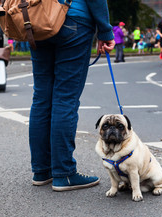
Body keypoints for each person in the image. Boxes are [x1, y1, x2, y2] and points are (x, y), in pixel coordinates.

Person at [29, 0, 115, 191]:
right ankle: (64, 173)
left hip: (36, 18)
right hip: (73, 18)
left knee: (41, 98)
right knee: (65, 98)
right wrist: (105, 30)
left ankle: (42, 171)